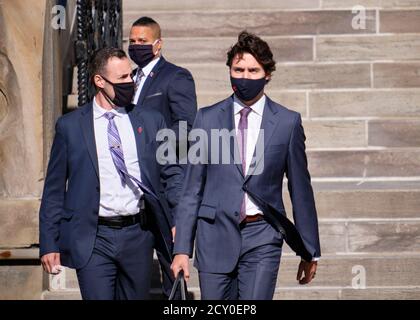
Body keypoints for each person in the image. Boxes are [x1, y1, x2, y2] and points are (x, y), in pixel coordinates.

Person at [171, 31, 321, 300]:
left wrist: (308, 250)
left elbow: (301, 190)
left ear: (267, 74)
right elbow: (191, 188)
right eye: (238, 69)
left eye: (253, 70)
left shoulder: (287, 123)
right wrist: (182, 248)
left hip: (263, 236)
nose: (245, 76)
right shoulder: (206, 119)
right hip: (214, 235)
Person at [39, 47, 183, 300]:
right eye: (122, 79)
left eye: (131, 76)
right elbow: (53, 190)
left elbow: (171, 174)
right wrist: (49, 242)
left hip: (138, 234)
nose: (131, 83)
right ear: (99, 81)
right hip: (93, 236)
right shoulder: (70, 127)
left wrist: (177, 219)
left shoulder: (151, 120)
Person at [128, 16, 197, 296]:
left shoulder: (175, 77)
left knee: (173, 271)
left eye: (142, 41)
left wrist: (176, 194)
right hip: (134, 192)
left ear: (158, 45)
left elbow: (184, 131)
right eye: (132, 41)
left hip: (165, 187)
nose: (136, 46)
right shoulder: (128, 79)